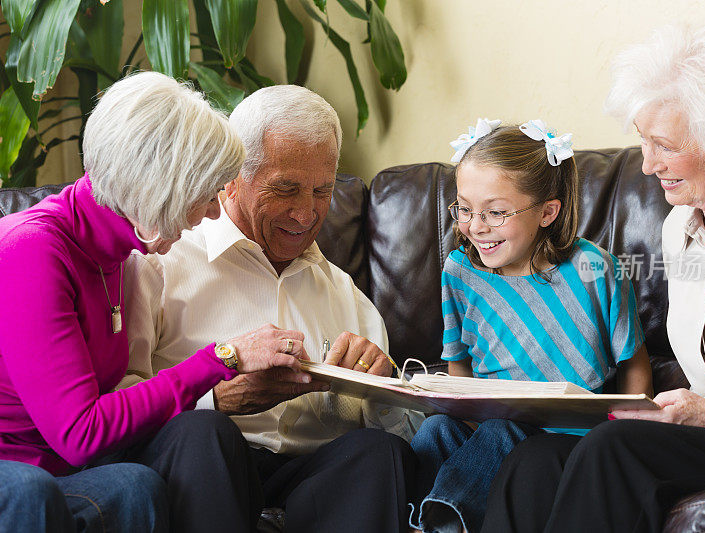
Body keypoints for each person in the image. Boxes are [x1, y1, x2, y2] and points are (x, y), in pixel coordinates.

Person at [482, 18, 705, 533]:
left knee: (616, 450)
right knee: (536, 460)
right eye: (642, 142)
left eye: (665, 145)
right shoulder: (680, 228)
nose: (648, 166)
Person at [0, 71, 316, 533]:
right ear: (160, 186)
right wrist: (223, 357)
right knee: (84, 489)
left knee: (142, 479)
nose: (214, 211)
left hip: (68, 470)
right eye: (208, 193)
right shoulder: (32, 251)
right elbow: (80, 434)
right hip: (23, 471)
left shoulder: (118, 255)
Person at [122, 84, 421, 533]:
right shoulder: (161, 260)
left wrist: (377, 393)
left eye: (322, 191)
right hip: (204, 460)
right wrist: (217, 400)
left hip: (308, 472)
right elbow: (117, 398)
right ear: (232, 177)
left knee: (380, 452)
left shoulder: (342, 292)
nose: (305, 214)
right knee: (204, 433)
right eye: (286, 189)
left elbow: (406, 432)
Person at [409, 119, 653, 533]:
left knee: (503, 430)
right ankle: (421, 519)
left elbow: (634, 363)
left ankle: (441, 524)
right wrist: (459, 409)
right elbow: (458, 364)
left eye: (496, 212)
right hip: (487, 429)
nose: (476, 226)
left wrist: (629, 433)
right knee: (435, 431)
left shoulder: (596, 269)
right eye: (464, 209)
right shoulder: (460, 271)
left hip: (567, 441)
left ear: (547, 212)